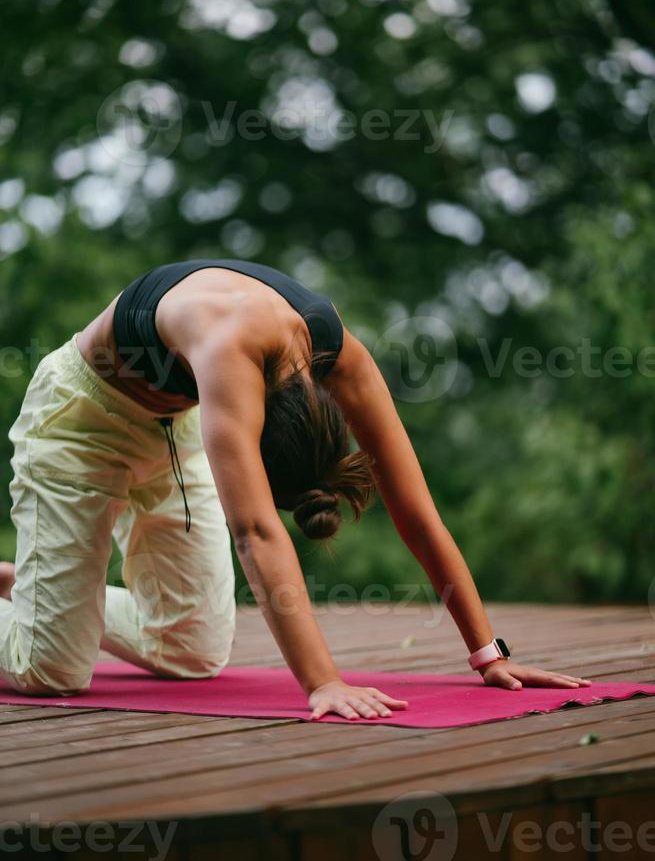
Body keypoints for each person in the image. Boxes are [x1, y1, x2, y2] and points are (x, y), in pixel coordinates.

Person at [0, 259, 590, 718]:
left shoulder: (338, 352)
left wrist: (489, 656)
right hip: (82, 420)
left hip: (176, 424)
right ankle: (47, 611)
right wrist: (323, 682)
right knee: (52, 670)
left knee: (192, 653)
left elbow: (417, 515)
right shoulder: (226, 351)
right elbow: (256, 533)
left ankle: (37, 594)